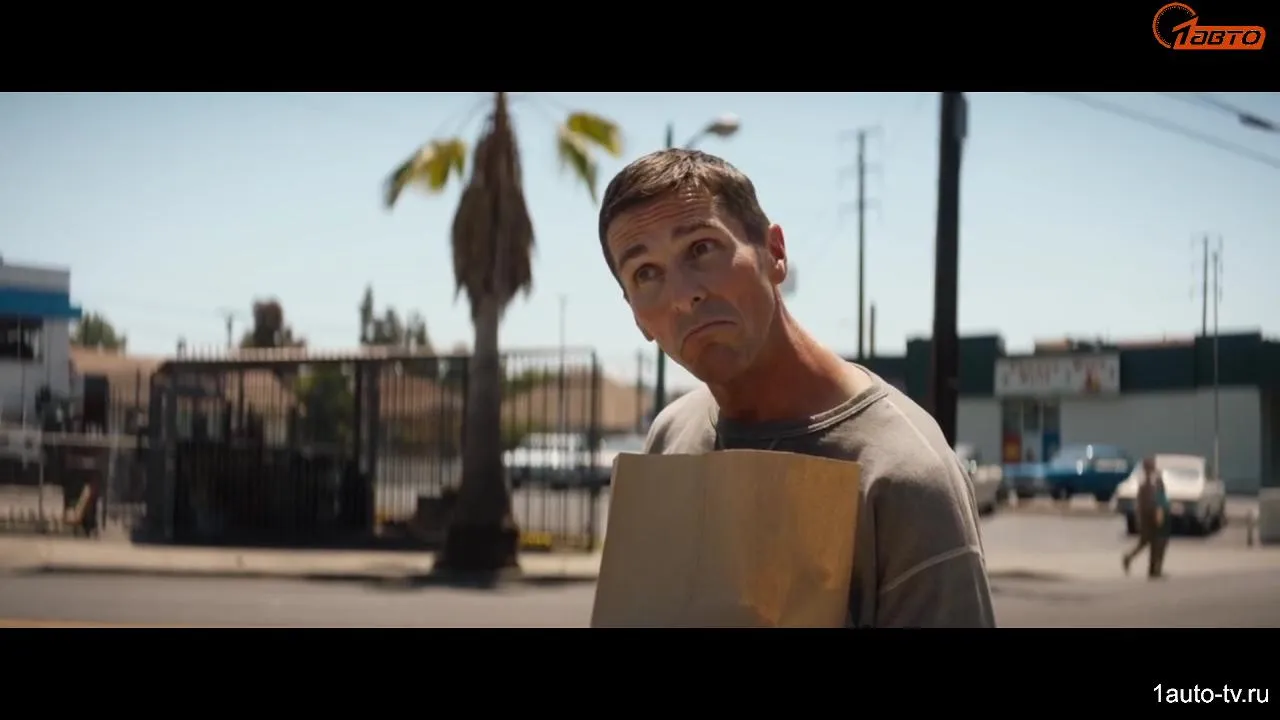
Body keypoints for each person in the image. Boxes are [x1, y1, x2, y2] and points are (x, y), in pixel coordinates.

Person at [597, 148, 996, 628]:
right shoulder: (671, 437)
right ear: (637, 317)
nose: (683, 295)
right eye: (645, 273)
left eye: (701, 248)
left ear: (775, 254)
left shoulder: (905, 472)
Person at [1122, 456, 1169, 579]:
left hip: (1149, 513)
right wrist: (1158, 512)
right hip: (1150, 514)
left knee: (1152, 541)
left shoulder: (1150, 480)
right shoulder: (1150, 480)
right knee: (1154, 541)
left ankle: (1152, 568)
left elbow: (1143, 500)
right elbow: (1155, 499)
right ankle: (1153, 568)